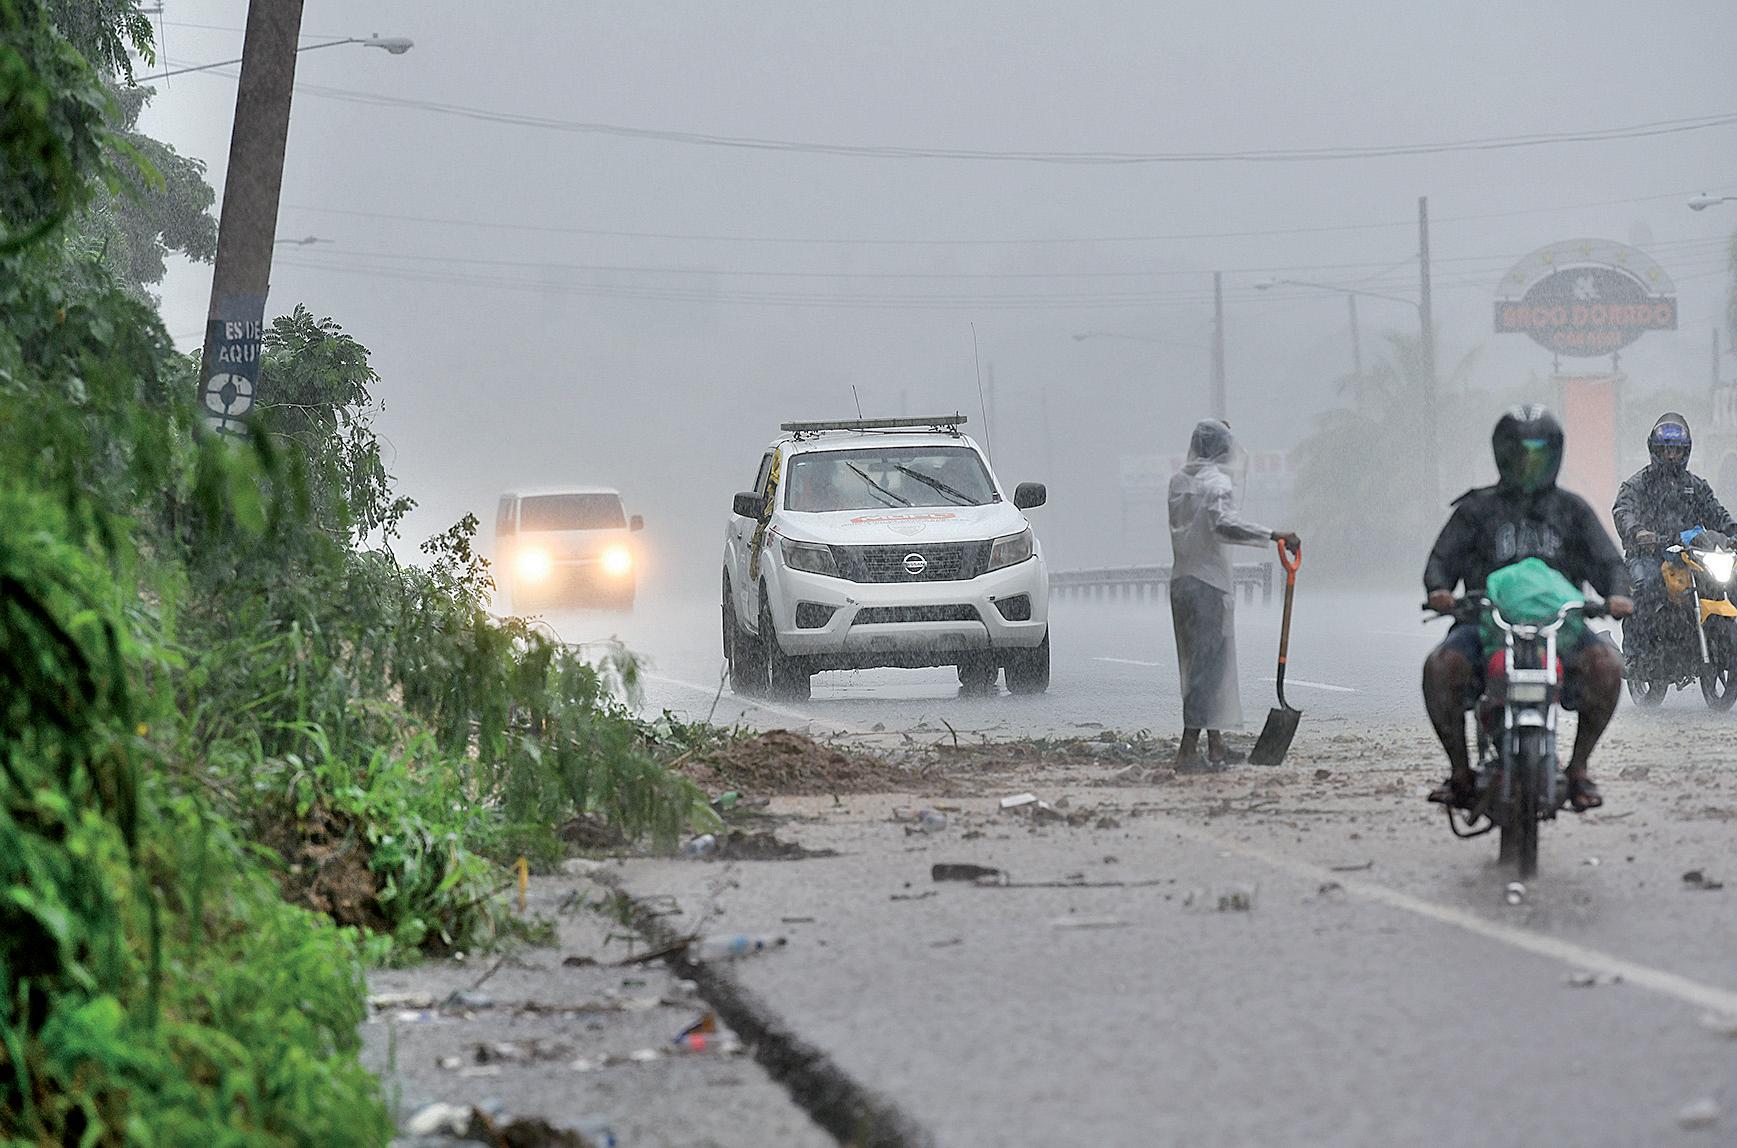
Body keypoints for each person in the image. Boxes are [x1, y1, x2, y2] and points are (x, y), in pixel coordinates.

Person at [1422, 405, 1632, 812]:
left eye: (1539, 454)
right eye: (1518, 454)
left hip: (1561, 629)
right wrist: (1439, 590)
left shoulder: (1572, 510)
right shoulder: (1475, 510)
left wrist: (1618, 593)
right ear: (1500, 454)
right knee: (1440, 668)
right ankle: (1460, 773)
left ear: (1555, 454)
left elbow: (1609, 563)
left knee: (1607, 667)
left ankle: (1579, 768)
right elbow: (1440, 562)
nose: (1528, 464)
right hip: (1487, 626)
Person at [1167, 419, 1301, 771]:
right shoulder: (1217, 483)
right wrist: (1274, 535)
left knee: (1198, 664)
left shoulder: (1179, 481)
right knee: (1207, 670)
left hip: (1182, 583)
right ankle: (1187, 751)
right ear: (1221, 449)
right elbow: (1223, 524)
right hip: (1208, 585)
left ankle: (1216, 746)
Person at [1611, 412, 1737, 661]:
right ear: (1654, 450)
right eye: (1666, 450)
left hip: (1691, 557)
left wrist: (1733, 531)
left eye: (1677, 450)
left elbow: (1717, 514)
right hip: (1649, 555)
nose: (1671, 456)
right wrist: (1638, 532)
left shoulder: (1696, 486)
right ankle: (1637, 655)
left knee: (1727, 581)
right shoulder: (1638, 484)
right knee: (1646, 586)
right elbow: (1623, 511)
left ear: (1685, 452)